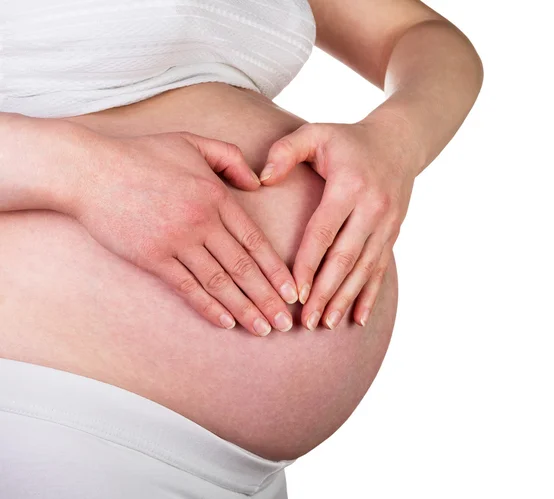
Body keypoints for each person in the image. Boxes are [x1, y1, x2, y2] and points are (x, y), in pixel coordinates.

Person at [0, 0, 483, 497]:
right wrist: (80, 173)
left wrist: (396, 140)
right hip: (54, 413)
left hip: (246, 470)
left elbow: (420, 33)